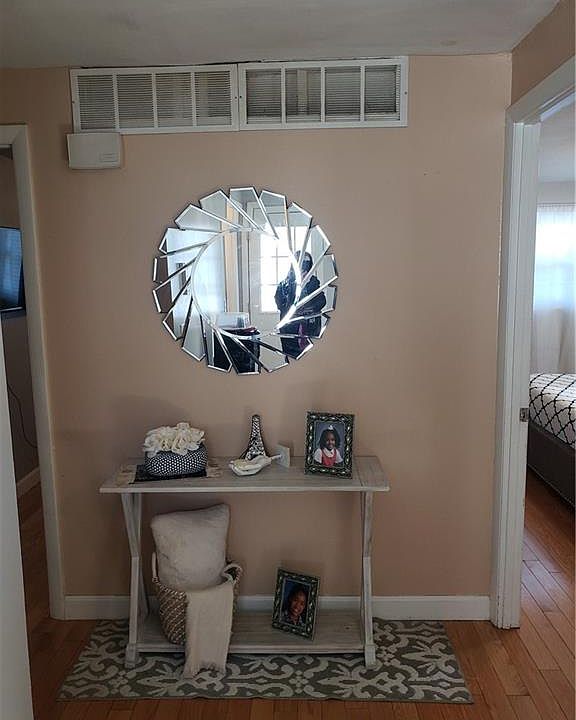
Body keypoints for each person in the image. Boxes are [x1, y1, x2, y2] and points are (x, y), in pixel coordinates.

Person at [274, 252, 326, 357]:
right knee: (292, 358)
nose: (303, 266)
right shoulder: (284, 284)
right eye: (300, 262)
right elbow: (282, 305)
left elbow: (321, 302)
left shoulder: (314, 282)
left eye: (306, 262)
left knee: (312, 357)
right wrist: (297, 285)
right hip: (290, 328)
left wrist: (307, 286)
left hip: (311, 327)